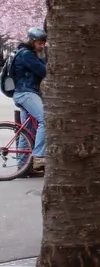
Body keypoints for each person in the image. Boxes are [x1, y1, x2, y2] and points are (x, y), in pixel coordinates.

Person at [11, 27, 47, 176]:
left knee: (28, 131)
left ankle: (22, 167)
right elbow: (43, 71)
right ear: (32, 41)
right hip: (26, 93)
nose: (42, 46)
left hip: (23, 93)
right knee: (46, 120)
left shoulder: (26, 53)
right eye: (39, 43)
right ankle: (38, 156)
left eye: (44, 43)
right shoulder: (27, 55)